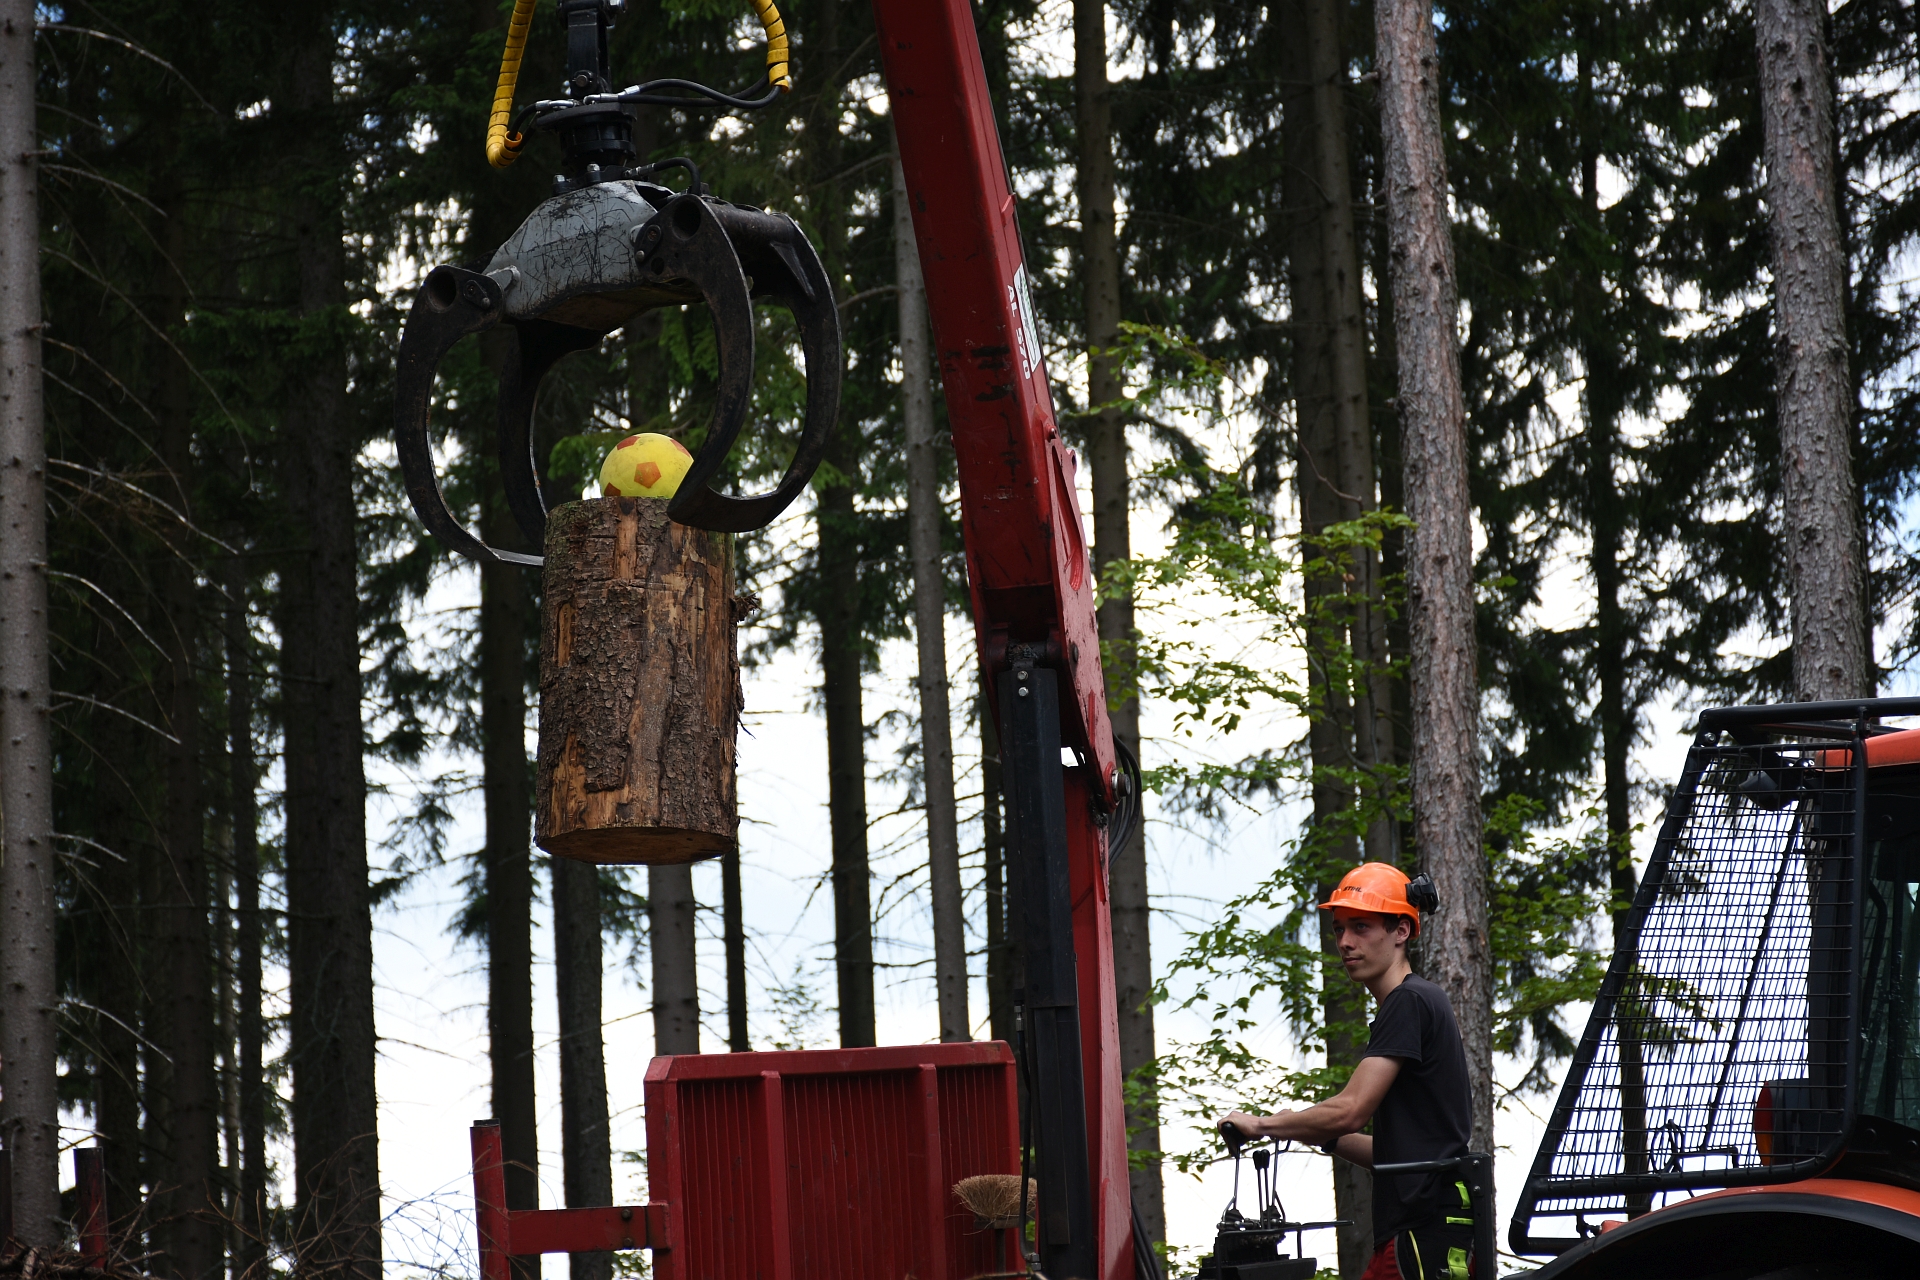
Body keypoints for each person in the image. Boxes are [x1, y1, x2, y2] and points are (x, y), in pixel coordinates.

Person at [1217, 862, 1475, 1280]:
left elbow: (1352, 1109)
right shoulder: (1419, 1002)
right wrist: (1316, 1131)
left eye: (1361, 927)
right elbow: (1393, 1155)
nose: (1345, 942)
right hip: (1432, 1231)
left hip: (1421, 1234)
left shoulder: (1408, 1001)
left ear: (1401, 931)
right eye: (1339, 929)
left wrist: (1263, 1125)